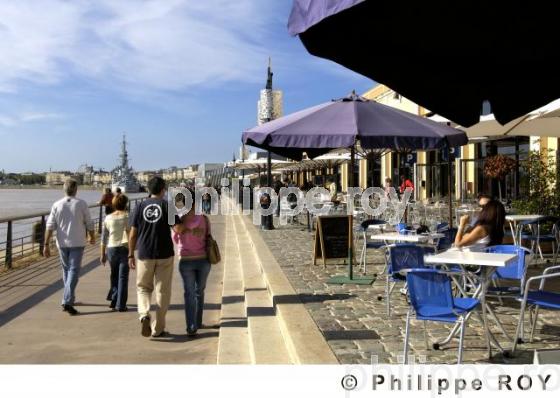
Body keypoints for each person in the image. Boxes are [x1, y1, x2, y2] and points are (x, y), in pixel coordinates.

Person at [128, 176, 177, 338]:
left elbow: (133, 234)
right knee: (163, 291)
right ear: (163, 189)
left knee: (143, 287)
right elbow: (178, 229)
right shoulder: (167, 206)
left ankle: (144, 315)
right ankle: (158, 329)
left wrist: (130, 254)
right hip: (165, 254)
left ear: (149, 189)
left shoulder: (139, 206)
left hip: (144, 253)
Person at [43, 179, 95, 315]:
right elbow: (89, 222)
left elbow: (49, 226)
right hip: (77, 242)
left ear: (64, 190)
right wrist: (92, 236)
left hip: (62, 243)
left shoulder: (56, 205)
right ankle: (67, 300)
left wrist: (46, 244)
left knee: (66, 270)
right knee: (74, 271)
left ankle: (68, 299)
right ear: (76, 190)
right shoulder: (81, 204)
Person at [172, 189, 212, 336]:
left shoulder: (179, 220)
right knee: (199, 292)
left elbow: (175, 240)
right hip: (203, 260)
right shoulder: (204, 219)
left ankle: (191, 326)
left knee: (188, 294)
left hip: (185, 260)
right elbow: (208, 237)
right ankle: (198, 320)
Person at [100, 194, 130, 312]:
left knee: (114, 275)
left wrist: (102, 254)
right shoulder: (127, 216)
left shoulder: (108, 218)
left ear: (114, 204)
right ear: (125, 204)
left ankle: (114, 299)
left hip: (111, 249)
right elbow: (130, 234)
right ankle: (121, 305)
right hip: (124, 248)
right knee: (122, 277)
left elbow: (103, 238)